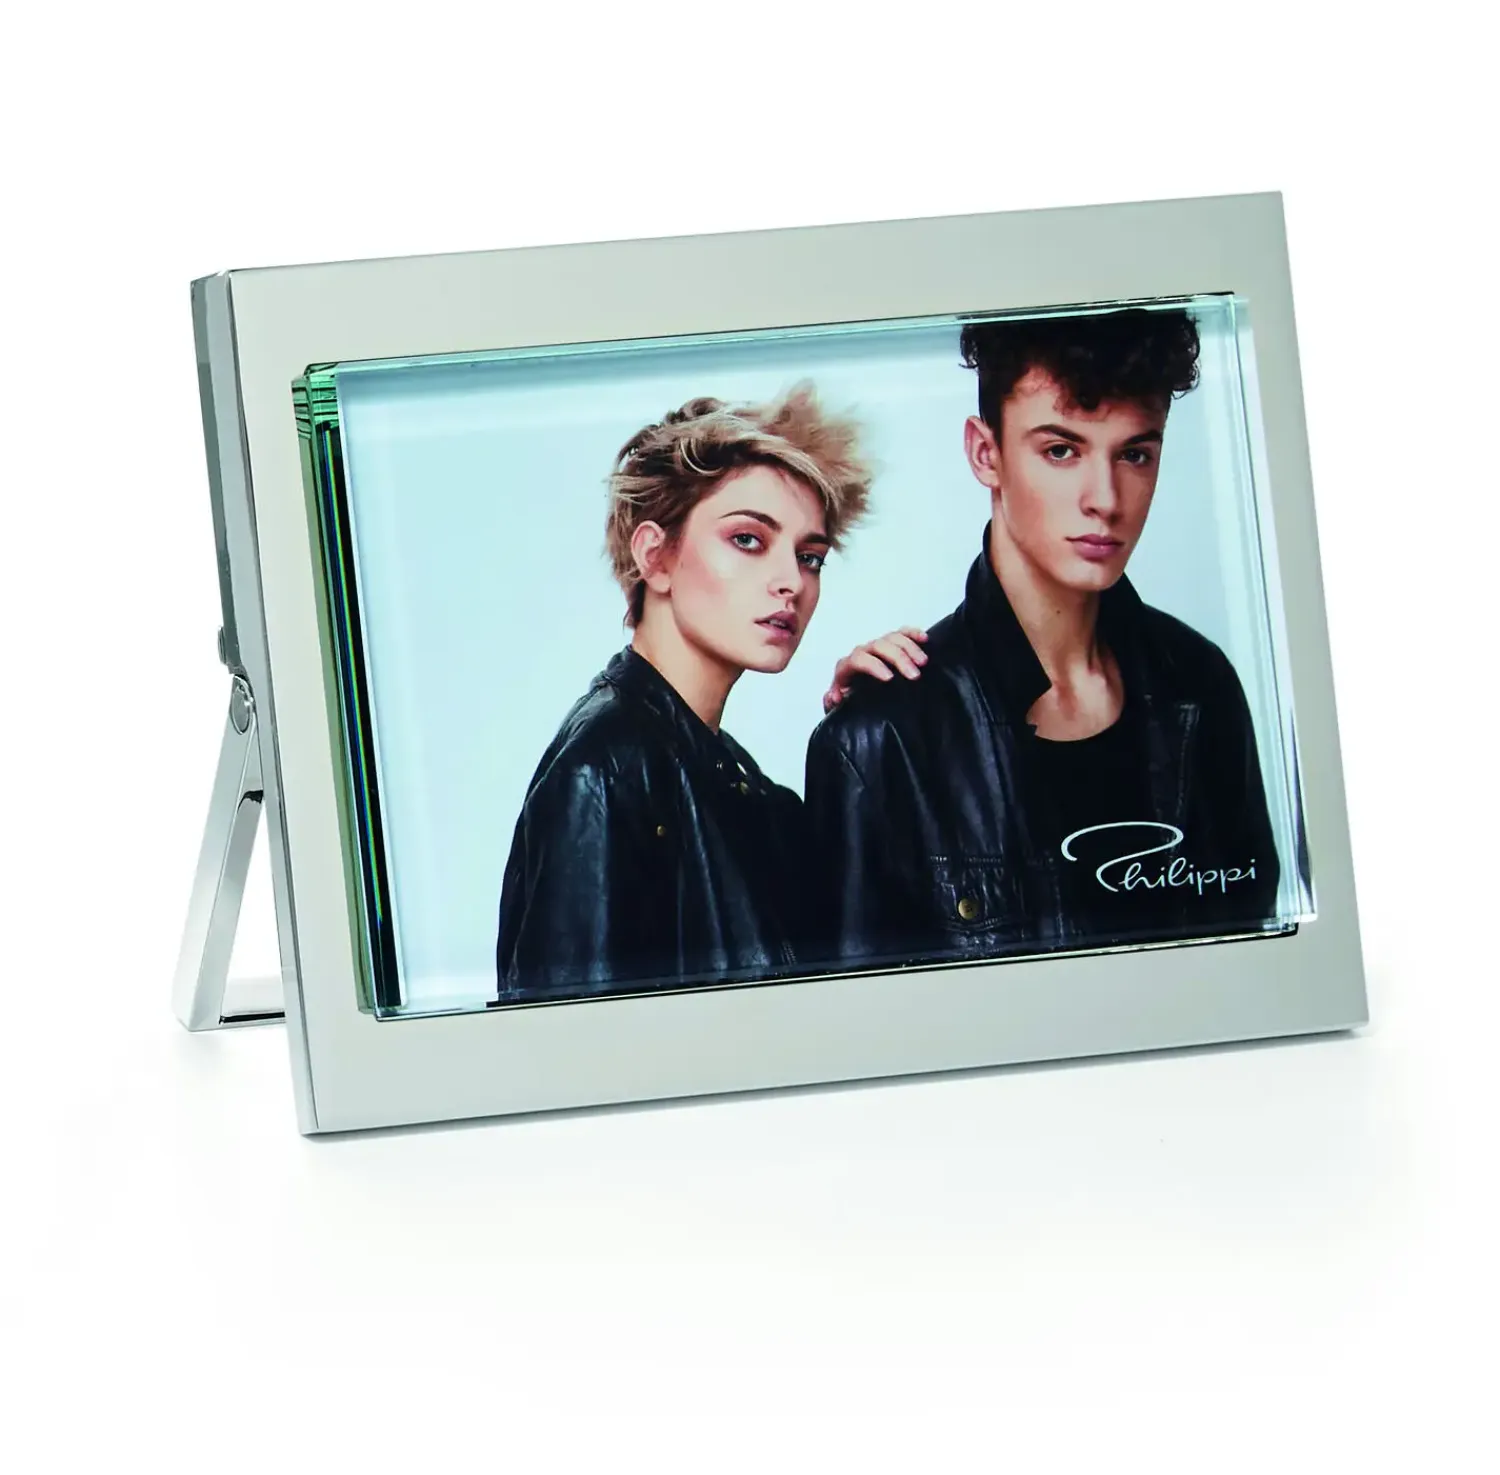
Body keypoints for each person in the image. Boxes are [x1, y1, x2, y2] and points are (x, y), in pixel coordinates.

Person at [804, 307, 1281, 969]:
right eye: (1061, 450)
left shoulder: (1202, 686)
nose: (1105, 499)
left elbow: (1257, 968)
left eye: (1135, 454)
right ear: (986, 453)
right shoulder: (880, 741)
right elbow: (862, 1016)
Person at [496, 383, 871, 1002]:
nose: (791, 582)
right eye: (748, 540)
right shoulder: (606, 770)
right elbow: (571, 1043)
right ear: (656, 557)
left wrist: (868, 742)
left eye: (810, 557)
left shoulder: (733, 779)